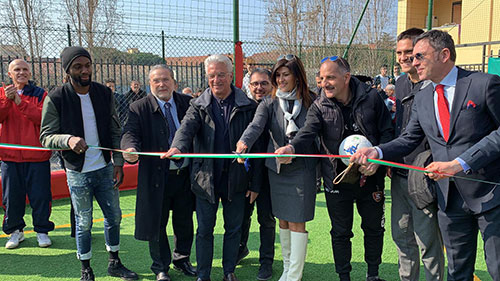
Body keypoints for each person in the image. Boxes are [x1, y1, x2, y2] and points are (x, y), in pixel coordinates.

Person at [351, 29, 500, 281]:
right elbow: (409, 138)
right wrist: (376, 151)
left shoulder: (484, 83)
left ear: (444, 54)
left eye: (419, 56)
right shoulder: (422, 95)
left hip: (491, 196)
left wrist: (461, 163)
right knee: (457, 273)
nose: (412, 61)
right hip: (448, 199)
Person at [276, 56, 393, 281]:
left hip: (371, 175)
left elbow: (387, 131)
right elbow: (308, 131)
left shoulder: (372, 98)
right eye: (321, 78)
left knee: (373, 229)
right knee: (340, 232)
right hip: (337, 178)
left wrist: (379, 159)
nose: (324, 83)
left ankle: (373, 275)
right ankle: (344, 277)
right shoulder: (320, 105)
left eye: (330, 77)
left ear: (346, 77)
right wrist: (291, 148)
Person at [40, 46, 138, 281]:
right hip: (77, 171)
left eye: (87, 65)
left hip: (105, 168)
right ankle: (86, 268)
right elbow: (45, 137)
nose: (85, 70)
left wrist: (117, 162)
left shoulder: (105, 93)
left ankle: (114, 262)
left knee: (114, 217)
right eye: (78, 67)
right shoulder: (55, 98)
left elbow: (115, 129)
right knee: (83, 222)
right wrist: (68, 139)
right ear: (67, 70)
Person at [162, 54, 260, 281]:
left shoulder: (247, 106)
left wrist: (254, 183)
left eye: (221, 75)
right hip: (205, 179)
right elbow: (185, 129)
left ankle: (228, 271)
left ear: (230, 75)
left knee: (233, 229)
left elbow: (258, 145)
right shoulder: (197, 105)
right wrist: (177, 147)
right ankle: (203, 274)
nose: (216, 80)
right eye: (212, 75)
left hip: (236, 179)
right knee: (204, 230)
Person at [236, 54, 318, 281]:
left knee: (296, 221)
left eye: (286, 74)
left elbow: (311, 131)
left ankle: (293, 275)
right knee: (282, 219)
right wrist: (244, 142)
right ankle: (288, 269)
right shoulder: (268, 103)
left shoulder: (312, 100)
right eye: (278, 75)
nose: (281, 80)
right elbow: (255, 126)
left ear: (297, 76)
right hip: (277, 171)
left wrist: (292, 149)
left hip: (302, 169)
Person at [121, 65, 196, 281]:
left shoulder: (187, 103)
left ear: (174, 82)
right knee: (157, 224)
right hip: (156, 177)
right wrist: (130, 149)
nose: (161, 84)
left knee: (184, 222)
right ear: (150, 84)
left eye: (165, 80)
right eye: (156, 81)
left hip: (184, 175)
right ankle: (161, 267)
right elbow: (129, 133)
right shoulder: (138, 107)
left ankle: (182, 260)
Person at [389, 27, 445, 281]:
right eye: (399, 52)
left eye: (409, 52)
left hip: (424, 176)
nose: (403, 57)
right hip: (399, 173)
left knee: (428, 241)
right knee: (402, 236)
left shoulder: (433, 86)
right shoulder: (400, 83)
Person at [0, 59, 54, 249]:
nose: (21, 72)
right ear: (9, 74)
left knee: (40, 195)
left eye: (25, 69)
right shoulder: (2, 93)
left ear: (30, 74)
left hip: (37, 156)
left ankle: (42, 230)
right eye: (17, 69)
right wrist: (8, 100)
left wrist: (19, 102)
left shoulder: (41, 94)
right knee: (11, 196)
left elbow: (42, 118)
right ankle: (15, 231)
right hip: (10, 156)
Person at [236, 68, 276, 280]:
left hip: (268, 175)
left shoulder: (275, 108)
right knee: (242, 215)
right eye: (255, 84)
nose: (259, 88)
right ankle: (241, 249)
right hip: (246, 175)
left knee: (266, 219)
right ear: (248, 86)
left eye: (264, 83)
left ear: (272, 86)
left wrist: (257, 185)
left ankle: (266, 262)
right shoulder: (244, 108)